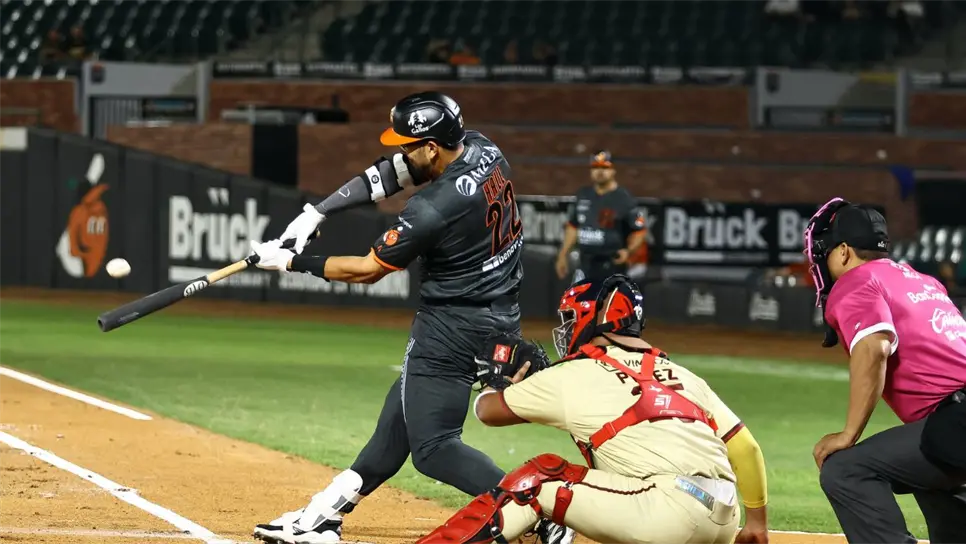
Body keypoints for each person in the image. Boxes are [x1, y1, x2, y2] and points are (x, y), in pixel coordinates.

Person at [247, 91, 572, 544]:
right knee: (398, 420)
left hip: (450, 326)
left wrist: (290, 261)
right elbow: (393, 172)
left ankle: (536, 508)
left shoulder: (433, 208)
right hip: (496, 314)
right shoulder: (484, 149)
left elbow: (367, 270)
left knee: (434, 448)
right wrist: (318, 212)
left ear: (432, 147)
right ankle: (324, 516)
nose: (400, 152)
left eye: (408, 144)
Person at [418, 274, 770, 544]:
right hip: (725, 519)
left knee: (539, 478)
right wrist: (756, 525)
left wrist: (498, 382)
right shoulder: (683, 375)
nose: (567, 328)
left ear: (596, 318)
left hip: (667, 513)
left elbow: (488, 411)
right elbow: (746, 448)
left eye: (572, 318)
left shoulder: (577, 371)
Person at [803, 197, 966, 544]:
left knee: (845, 470)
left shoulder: (856, 280)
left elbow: (874, 347)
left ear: (844, 251)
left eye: (826, 251)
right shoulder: (923, 281)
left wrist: (848, 434)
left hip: (958, 420)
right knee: (932, 468)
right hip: (952, 425)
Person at [555, 151, 646, 283]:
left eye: (604, 167)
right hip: (586, 264)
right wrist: (563, 254)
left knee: (608, 303)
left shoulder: (624, 198)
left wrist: (628, 251)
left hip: (612, 265)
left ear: (613, 171)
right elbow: (573, 226)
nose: (600, 171)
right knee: (576, 302)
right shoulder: (583, 195)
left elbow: (639, 231)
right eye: (596, 167)